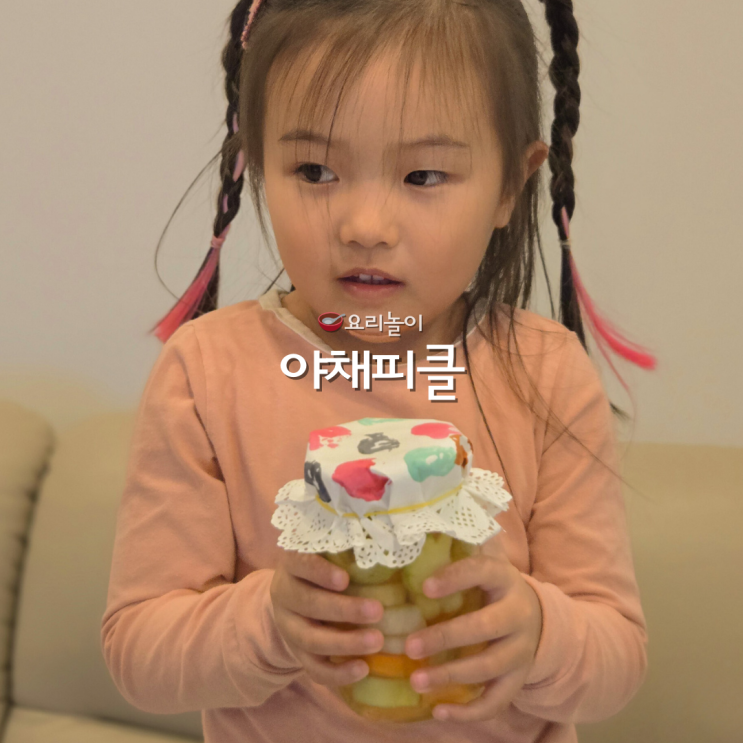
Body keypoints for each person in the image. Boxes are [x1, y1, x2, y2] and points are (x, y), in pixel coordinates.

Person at [101, 1, 651, 742]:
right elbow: (139, 652)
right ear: (255, 165)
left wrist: (539, 633)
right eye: (315, 170)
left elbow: (617, 655)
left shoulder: (547, 375)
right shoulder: (206, 373)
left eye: (423, 174)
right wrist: (270, 622)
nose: (364, 225)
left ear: (509, 187)